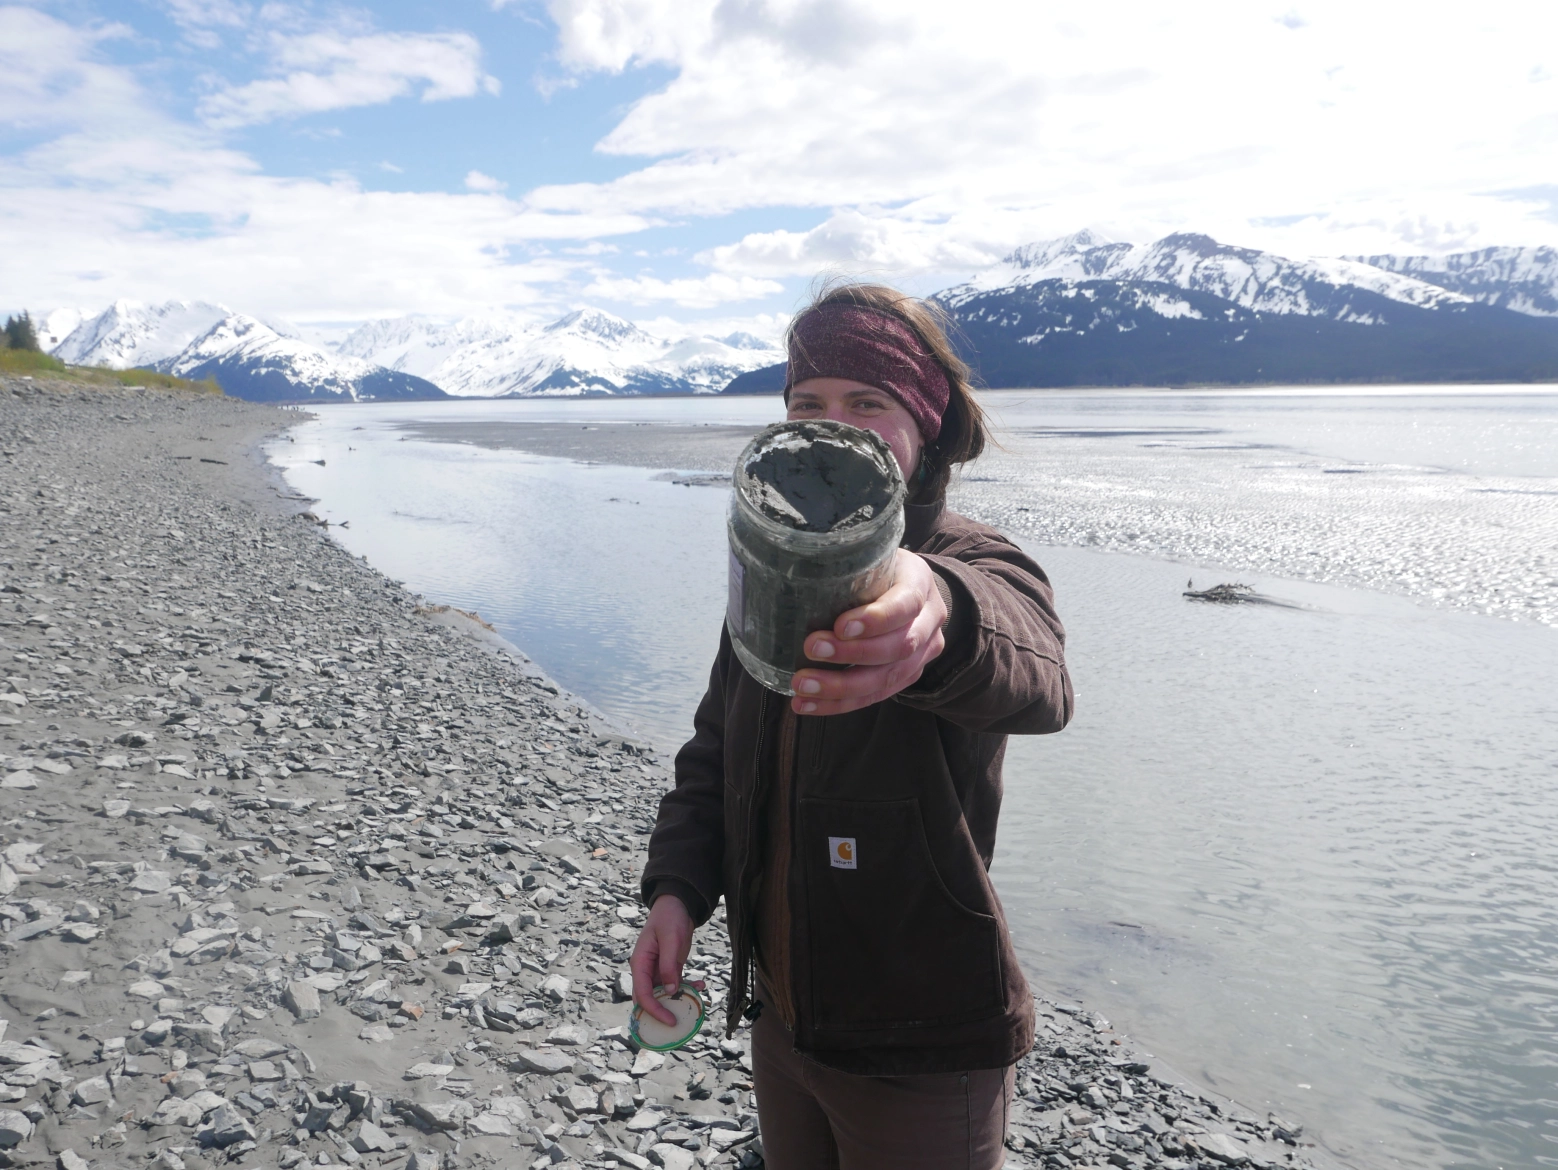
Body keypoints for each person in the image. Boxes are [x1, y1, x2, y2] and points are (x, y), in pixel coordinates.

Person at [632, 281, 1073, 1169]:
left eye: (867, 404)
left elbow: (1040, 677)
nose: (832, 427)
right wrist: (677, 892)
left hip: (923, 1030)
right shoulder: (767, 583)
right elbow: (715, 754)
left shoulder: (969, 566)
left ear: (928, 425)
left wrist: (936, 615)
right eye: (808, 403)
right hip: (785, 1016)